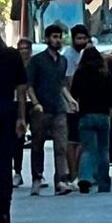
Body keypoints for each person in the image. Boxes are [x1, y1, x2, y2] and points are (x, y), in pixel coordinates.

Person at [27, 25, 78, 196]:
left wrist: (70, 99)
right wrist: (35, 103)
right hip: (41, 110)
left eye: (60, 37)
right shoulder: (37, 60)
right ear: (47, 39)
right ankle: (37, 177)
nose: (58, 40)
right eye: (55, 37)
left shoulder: (63, 61)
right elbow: (30, 85)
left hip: (58, 109)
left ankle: (61, 181)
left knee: (61, 146)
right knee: (37, 145)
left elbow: (61, 83)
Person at [72, 48, 112, 194]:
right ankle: (104, 182)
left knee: (88, 149)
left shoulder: (80, 73)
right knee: (103, 150)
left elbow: (73, 92)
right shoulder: (104, 74)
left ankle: (85, 177)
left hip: (85, 114)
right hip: (103, 115)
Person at [0, 36, 28, 223]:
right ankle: (3, 211)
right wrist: (21, 117)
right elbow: (21, 88)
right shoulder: (12, 55)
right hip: (6, 111)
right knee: (3, 162)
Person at [63, 24, 89, 183]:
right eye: (79, 38)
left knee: (81, 140)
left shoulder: (84, 54)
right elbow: (69, 82)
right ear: (73, 39)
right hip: (71, 104)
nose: (83, 41)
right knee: (73, 141)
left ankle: (79, 172)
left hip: (82, 103)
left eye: (85, 38)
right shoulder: (69, 55)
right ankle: (73, 173)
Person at [11, 39, 32, 189]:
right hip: (17, 103)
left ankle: (38, 174)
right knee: (17, 139)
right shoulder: (14, 65)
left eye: (26, 48)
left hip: (33, 103)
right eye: (20, 48)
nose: (23, 51)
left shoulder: (34, 64)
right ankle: (17, 172)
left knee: (38, 140)